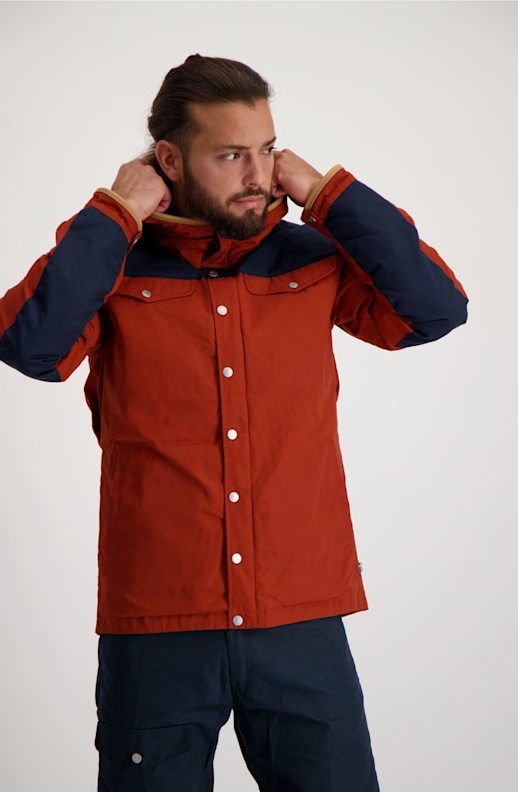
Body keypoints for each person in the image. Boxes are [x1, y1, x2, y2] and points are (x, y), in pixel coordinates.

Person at [0, 54, 469, 791]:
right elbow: (31, 345)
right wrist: (115, 213)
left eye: (267, 150)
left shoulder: (312, 258)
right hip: (158, 621)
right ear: (169, 160)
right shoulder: (110, 259)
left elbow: (436, 309)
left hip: (301, 616)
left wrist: (328, 193)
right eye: (230, 156)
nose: (258, 175)